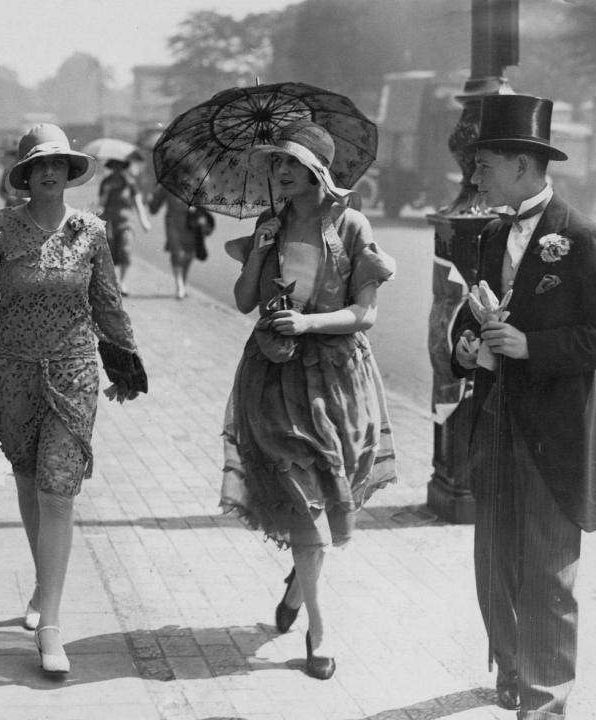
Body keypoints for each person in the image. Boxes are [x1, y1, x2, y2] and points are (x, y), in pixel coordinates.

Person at [451, 94, 596, 719]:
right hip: (494, 420)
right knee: (495, 562)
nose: (473, 177)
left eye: (485, 165)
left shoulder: (581, 239)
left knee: (548, 573)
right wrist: (471, 344)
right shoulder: (493, 233)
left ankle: (545, 702)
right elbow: (471, 321)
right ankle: (510, 670)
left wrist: (532, 345)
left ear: (523, 167)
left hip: (554, 431)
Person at [220, 120, 397, 679]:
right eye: (277, 164)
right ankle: (320, 634)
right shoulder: (269, 226)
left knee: (324, 498)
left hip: (337, 381)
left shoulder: (351, 226)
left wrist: (309, 321)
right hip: (273, 379)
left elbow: (365, 314)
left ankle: (298, 587)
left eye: (290, 163)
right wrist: (259, 252)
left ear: (317, 170)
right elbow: (244, 300)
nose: (280, 172)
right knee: (301, 499)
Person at [0, 123, 147, 674]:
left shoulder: (91, 231)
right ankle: (40, 587)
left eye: (58, 163)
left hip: (75, 371)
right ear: (25, 174)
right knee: (29, 481)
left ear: (70, 172)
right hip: (10, 370)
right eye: (38, 165)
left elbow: (108, 302)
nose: (49, 172)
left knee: (58, 489)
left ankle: (51, 623)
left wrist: (126, 358)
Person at [148, 185, 214, 299]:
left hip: (191, 223)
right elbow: (154, 208)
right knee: (177, 252)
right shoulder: (167, 185)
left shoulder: (196, 181)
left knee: (189, 254)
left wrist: (199, 211)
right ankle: (179, 285)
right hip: (173, 223)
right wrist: (151, 198)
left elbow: (202, 203)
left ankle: (182, 282)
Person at [98, 156, 151, 295]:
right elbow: (101, 204)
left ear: (123, 167)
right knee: (110, 252)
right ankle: (112, 282)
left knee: (126, 251)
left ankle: (122, 282)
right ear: (111, 167)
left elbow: (138, 203)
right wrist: (107, 191)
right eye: (114, 166)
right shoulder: (106, 182)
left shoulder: (130, 183)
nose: (117, 169)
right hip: (109, 221)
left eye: (119, 166)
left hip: (126, 222)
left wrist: (144, 221)